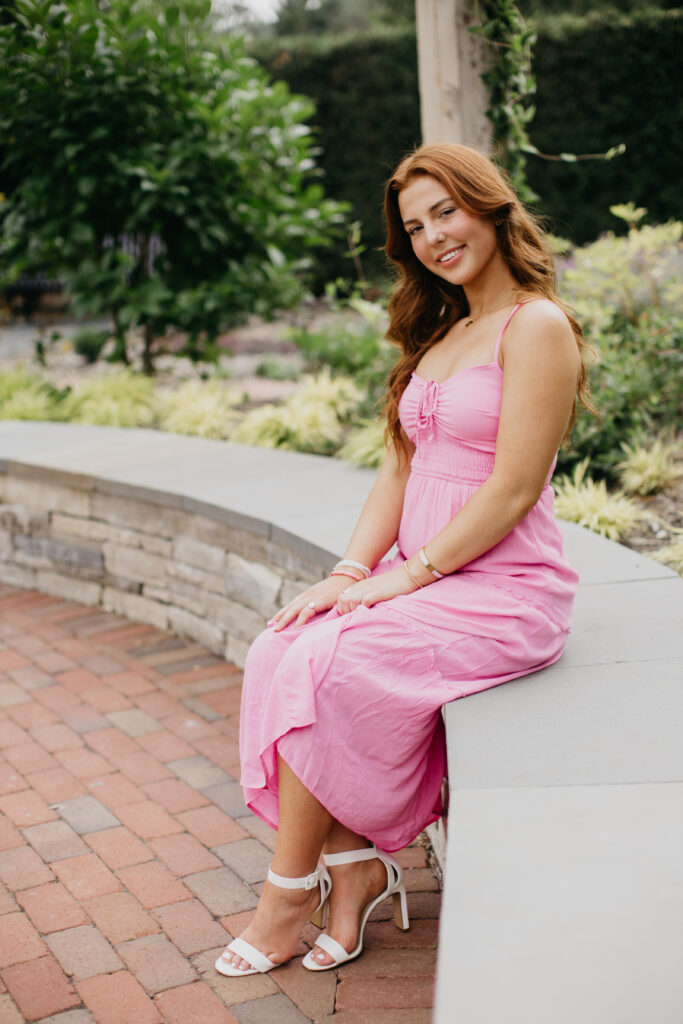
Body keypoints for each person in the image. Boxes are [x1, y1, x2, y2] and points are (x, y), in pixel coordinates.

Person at [215, 143, 592, 977]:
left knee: (325, 663)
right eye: (415, 226)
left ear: (489, 206)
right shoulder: (445, 330)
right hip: (428, 577)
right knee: (282, 643)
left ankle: (286, 894)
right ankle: (352, 876)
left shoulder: (537, 325)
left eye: (445, 212)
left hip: (503, 587)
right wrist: (350, 572)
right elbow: (400, 466)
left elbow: (515, 487)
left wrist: (409, 573)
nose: (432, 236)